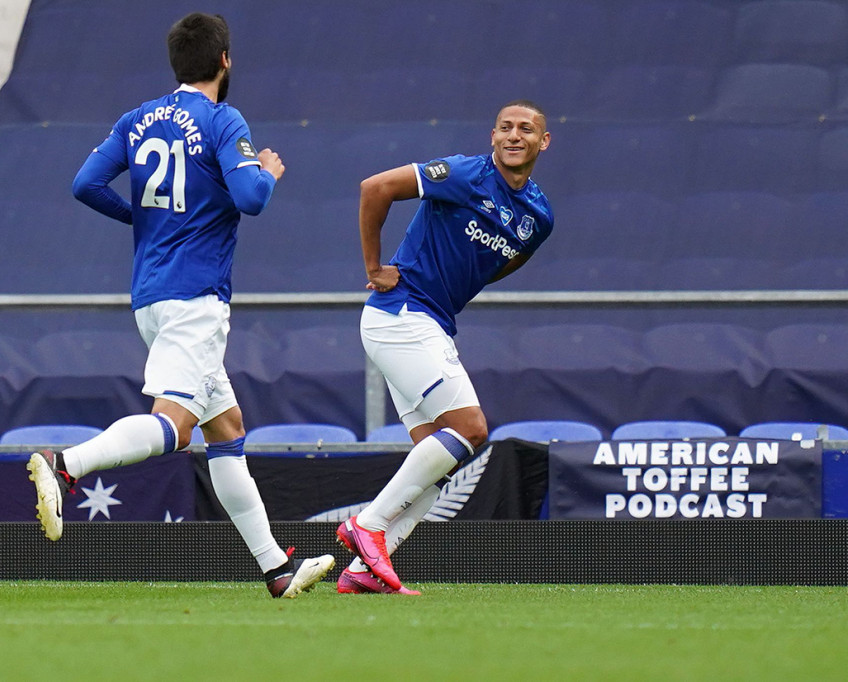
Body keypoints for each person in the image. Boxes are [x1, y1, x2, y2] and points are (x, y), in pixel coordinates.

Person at [27, 12, 334, 599]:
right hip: (195, 297)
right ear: (225, 61)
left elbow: (85, 184)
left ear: (176, 63)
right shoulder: (222, 119)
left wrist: (145, 220)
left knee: (228, 429)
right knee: (175, 427)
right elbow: (251, 198)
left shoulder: (137, 117)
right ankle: (64, 466)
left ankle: (276, 569)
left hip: (151, 295)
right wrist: (267, 172)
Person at [335, 101, 554, 595]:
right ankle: (367, 526)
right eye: (505, 128)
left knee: (440, 454)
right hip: (401, 314)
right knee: (471, 429)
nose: (514, 136)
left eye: (526, 129)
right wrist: (374, 268)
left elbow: (502, 263)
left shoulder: (539, 216)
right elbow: (376, 188)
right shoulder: (464, 174)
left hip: (428, 321)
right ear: (492, 135)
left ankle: (365, 569)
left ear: (544, 142)